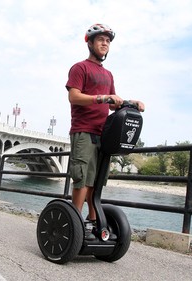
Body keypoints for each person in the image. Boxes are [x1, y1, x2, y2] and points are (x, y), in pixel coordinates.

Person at [66, 24, 145, 239]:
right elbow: (74, 96)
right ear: (90, 42)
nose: (105, 43)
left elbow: (113, 103)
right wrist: (102, 97)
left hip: (104, 134)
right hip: (83, 131)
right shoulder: (80, 68)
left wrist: (131, 102)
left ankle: (92, 224)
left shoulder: (108, 74)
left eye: (108, 41)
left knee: (96, 182)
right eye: (100, 39)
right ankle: (74, 225)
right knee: (82, 180)